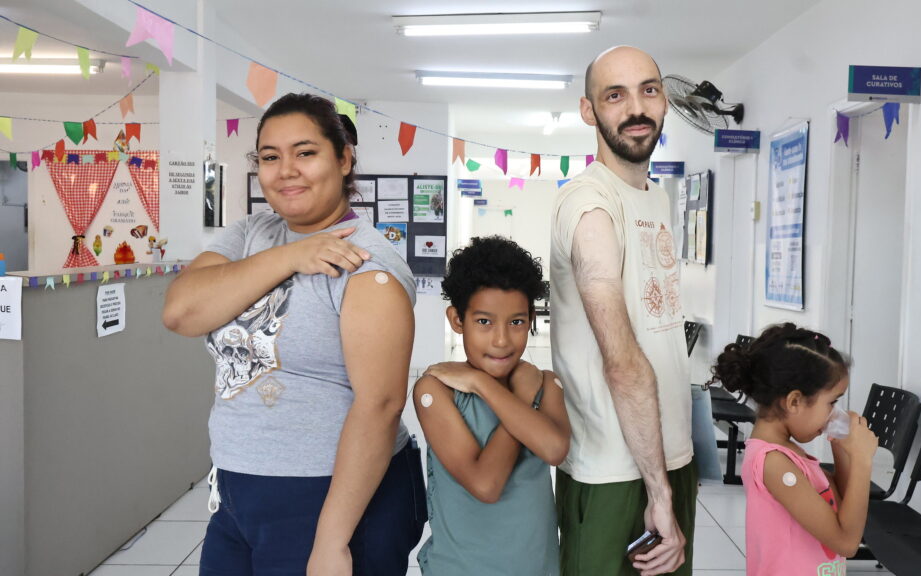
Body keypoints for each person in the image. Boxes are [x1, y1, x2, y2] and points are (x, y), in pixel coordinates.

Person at [162, 92, 425, 576]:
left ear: (344, 159)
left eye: (305, 152)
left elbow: (381, 405)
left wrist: (332, 541)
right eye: (269, 157)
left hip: (330, 494)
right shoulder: (252, 232)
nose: (286, 170)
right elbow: (181, 311)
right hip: (237, 486)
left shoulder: (367, 265)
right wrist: (291, 255)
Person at [549, 45, 696, 576]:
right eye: (615, 95)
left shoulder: (655, 196)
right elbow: (622, 360)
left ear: (664, 100)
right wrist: (658, 492)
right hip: (613, 471)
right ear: (589, 111)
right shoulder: (590, 204)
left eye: (648, 90)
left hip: (669, 456)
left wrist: (669, 476)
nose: (636, 108)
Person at [414, 236, 571, 576]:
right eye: (484, 322)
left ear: (531, 318)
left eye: (516, 322)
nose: (501, 340)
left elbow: (555, 449)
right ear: (457, 320)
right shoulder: (437, 390)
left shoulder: (546, 384)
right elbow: (486, 485)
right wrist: (497, 389)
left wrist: (502, 390)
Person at [707, 323, 879, 576]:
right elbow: (847, 542)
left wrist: (842, 446)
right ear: (794, 401)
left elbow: (841, 510)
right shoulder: (774, 463)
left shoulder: (789, 452)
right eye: (831, 402)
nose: (834, 413)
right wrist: (863, 461)